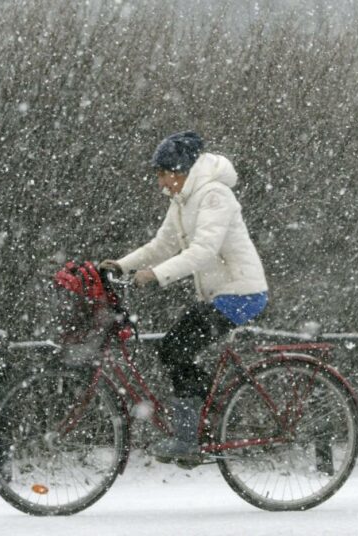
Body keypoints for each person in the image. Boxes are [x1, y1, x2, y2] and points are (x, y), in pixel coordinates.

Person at [100, 130, 269, 463]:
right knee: (174, 350)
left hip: (242, 293)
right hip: (219, 295)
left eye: (164, 173)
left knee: (175, 348)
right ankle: (201, 423)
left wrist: (155, 275)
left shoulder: (214, 195)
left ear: (182, 170)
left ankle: (191, 435)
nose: (161, 181)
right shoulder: (182, 201)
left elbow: (204, 251)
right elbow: (162, 245)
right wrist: (121, 265)